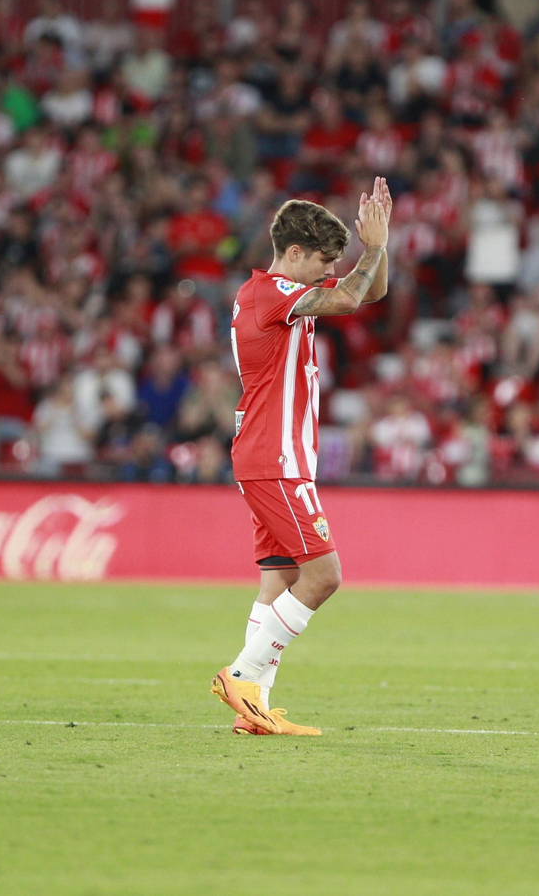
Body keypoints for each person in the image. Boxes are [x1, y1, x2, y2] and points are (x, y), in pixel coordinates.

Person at [210, 177, 392, 738]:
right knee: (324, 576)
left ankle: (254, 710)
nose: (328, 271)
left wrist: (379, 249)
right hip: (276, 457)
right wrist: (375, 248)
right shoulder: (273, 294)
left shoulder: (273, 293)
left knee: (280, 579)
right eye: (321, 260)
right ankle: (241, 676)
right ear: (292, 253)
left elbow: (372, 293)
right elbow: (350, 296)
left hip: (271, 455)